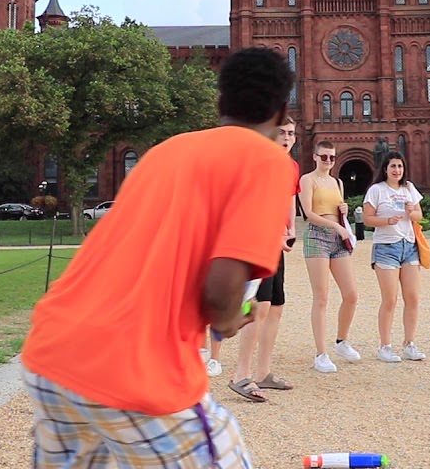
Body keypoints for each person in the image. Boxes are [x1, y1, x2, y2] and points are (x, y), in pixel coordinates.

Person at [20, 47, 296, 468]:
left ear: (219, 101)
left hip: (54, 350)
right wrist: (227, 321)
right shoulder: (266, 160)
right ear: (281, 110)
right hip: (134, 367)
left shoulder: (166, 151)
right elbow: (223, 290)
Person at [228, 117, 299, 402]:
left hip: (276, 242)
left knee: (276, 307)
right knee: (259, 306)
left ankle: (263, 372)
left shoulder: (290, 166)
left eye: (291, 133)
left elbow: (288, 198)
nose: (286, 137)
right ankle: (240, 376)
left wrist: (290, 228)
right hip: (258, 240)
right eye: (281, 132)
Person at [300, 140, 361, 373]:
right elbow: (308, 213)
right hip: (318, 236)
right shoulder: (308, 180)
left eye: (331, 158)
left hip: (338, 237)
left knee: (351, 294)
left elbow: (337, 207)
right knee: (321, 297)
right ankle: (320, 353)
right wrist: (335, 226)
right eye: (323, 157)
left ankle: (341, 340)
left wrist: (343, 210)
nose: (327, 161)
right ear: (315, 157)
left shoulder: (337, 182)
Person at [362, 150, 426, 363]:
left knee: (413, 297)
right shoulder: (377, 190)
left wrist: (411, 211)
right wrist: (386, 221)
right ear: (385, 169)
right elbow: (367, 219)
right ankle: (385, 346)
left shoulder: (409, 189)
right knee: (390, 299)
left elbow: (419, 216)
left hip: (408, 246)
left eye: (400, 166)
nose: (397, 170)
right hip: (386, 247)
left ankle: (409, 343)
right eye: (393, 166)